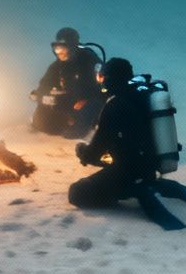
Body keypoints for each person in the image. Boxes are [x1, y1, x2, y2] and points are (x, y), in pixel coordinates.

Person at [68, 57, 159, 208]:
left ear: (109, 79)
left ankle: (128, 189)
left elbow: (95, 151)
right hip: (148, 168)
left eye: (102, 77)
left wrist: (82, 151)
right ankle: (137, 183)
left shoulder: (115, 105)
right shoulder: (138, 97)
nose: (100, 81)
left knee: (77, 192)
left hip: (128, 170)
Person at [30, 26, 102, 136]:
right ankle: (53, 132)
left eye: (63, 48)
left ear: (73, 46)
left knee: (90, 107)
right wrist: (41, 96)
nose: (60, 52)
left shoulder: (89, 60)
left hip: (89, 105)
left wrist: (85, 100)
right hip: (67, 103)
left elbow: (100, 88)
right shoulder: (56, 67)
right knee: (41, 116)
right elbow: (44, 85)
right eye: (57, 48)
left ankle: (86, 135)